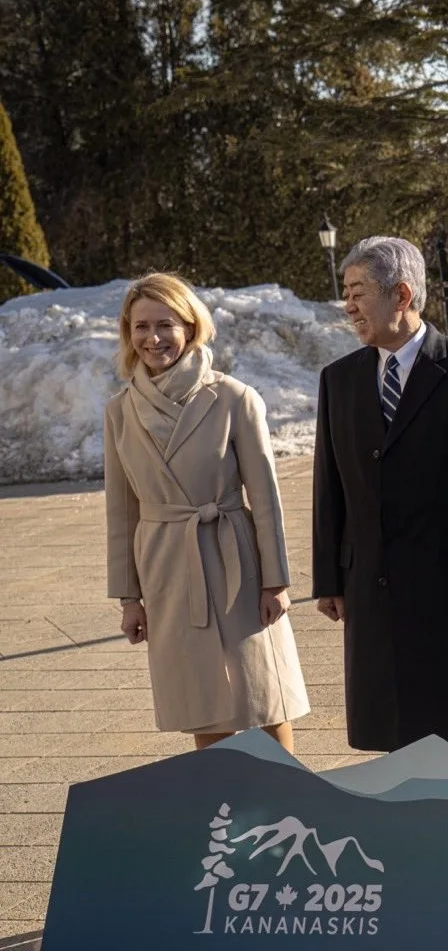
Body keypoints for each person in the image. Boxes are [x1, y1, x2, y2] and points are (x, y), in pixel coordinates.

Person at [312, 236, 448, 760]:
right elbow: (329, 487)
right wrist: (329, 579)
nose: (349, 306)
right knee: (398, 736)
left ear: (402, 295)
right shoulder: (339, 381)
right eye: (346, 292)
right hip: (374, 591)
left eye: (358, 291)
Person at [103, 273, 309, 751]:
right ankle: (224, 809)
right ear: (128, 334)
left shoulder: (234, 397)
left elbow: (266, 499)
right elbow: (121, 513)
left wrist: (276, 581)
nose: (152, 338)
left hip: (235, 555)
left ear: (191, 327)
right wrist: (129, 598)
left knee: (262, 692)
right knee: (202, 696)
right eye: (140, 327)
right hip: (168, 564)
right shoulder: (119, 412)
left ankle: (288, 799)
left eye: (165, 324)